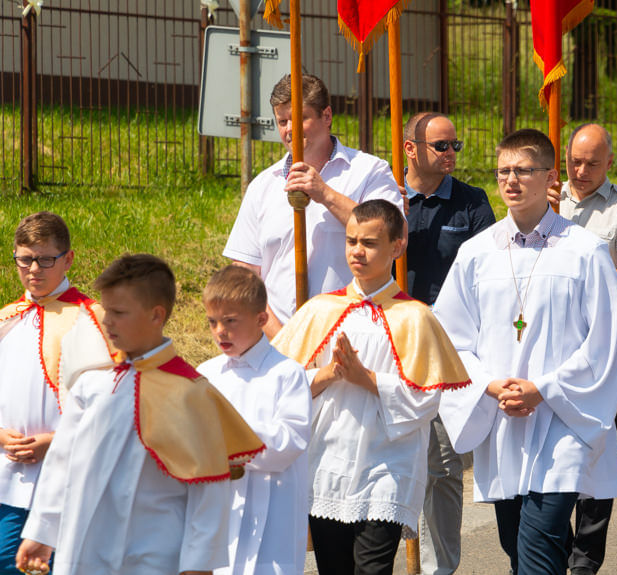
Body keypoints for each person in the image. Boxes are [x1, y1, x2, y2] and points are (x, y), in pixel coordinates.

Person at [434, 129, 617, 575]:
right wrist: (489, 385)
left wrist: (542, 389)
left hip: (561, 418)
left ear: (549, 177)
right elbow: (450, 339)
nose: (511, 181)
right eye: (503, 171)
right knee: (516, 542)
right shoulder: (476, 254)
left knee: (540, 543)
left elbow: (613, 339)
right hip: (503, 421)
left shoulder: (584, 251)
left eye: (524, 171)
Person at [16, 254, 265, 575]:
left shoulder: (189, 393)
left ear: (156, 315)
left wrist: (199, 565)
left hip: (154, 557)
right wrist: (42, 531)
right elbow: (63, 459)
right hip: (84, 549)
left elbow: (209, 489)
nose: (107, 323)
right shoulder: (93, 382)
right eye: (107, 312)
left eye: (119, 313)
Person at [271, 200, 469, 575]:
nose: (357, 251)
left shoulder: (415, 317)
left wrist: (367, 379)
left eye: (370, 243)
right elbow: (281, 386)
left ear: (397, 246)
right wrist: (329, 374)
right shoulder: (319, 310)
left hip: (387, 465)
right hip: (328, 463)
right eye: (351, 241)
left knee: (373, 569)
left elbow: (425, 400)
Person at [223, 74, 403, 338]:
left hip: (353, 335)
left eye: (300, 118)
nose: (289, 130)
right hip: (277, 339)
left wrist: (324, 193)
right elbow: (245, 272)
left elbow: (393, 236)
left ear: (327, 115)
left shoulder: (369, 171)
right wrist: (281, 339)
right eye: (282, 121)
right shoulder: (263, 186)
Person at [558, 123, 617, 575]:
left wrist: (579, 283)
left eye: (591, 164)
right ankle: (547, 553)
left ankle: (584, 562)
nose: (580, 171)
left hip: (599, 355)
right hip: (548, 351)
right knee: (550, 459)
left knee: (595, 458)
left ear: (609, 163)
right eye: (574, 161)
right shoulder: (547, 200)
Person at [403, 111, 496, 575]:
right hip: (394, 345)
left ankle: (440, 570)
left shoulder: (472, 203)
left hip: (448, 349)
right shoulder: (388, 198)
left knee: (442, 466)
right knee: (395, 461)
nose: (450, 154)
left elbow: (490, 272)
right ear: (411, 149)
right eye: (441, 146)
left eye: (455, 145)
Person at [0, 212, 114, 575]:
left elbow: (112, 405)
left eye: (45, 259)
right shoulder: (7, 320)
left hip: (64, 478)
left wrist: (56, 440)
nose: (34, 268)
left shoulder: (93, 320)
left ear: (68, 259)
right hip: (6, 478)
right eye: (25, 259)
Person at [197, 265, 312, 575]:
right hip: (219, 511)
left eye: (230, 321)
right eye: (212, 322)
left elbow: (290, 441)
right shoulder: (205, 375)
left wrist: (224, 434)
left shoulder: (287, 374)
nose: (220, 331)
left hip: (272, 516)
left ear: (262, 319)